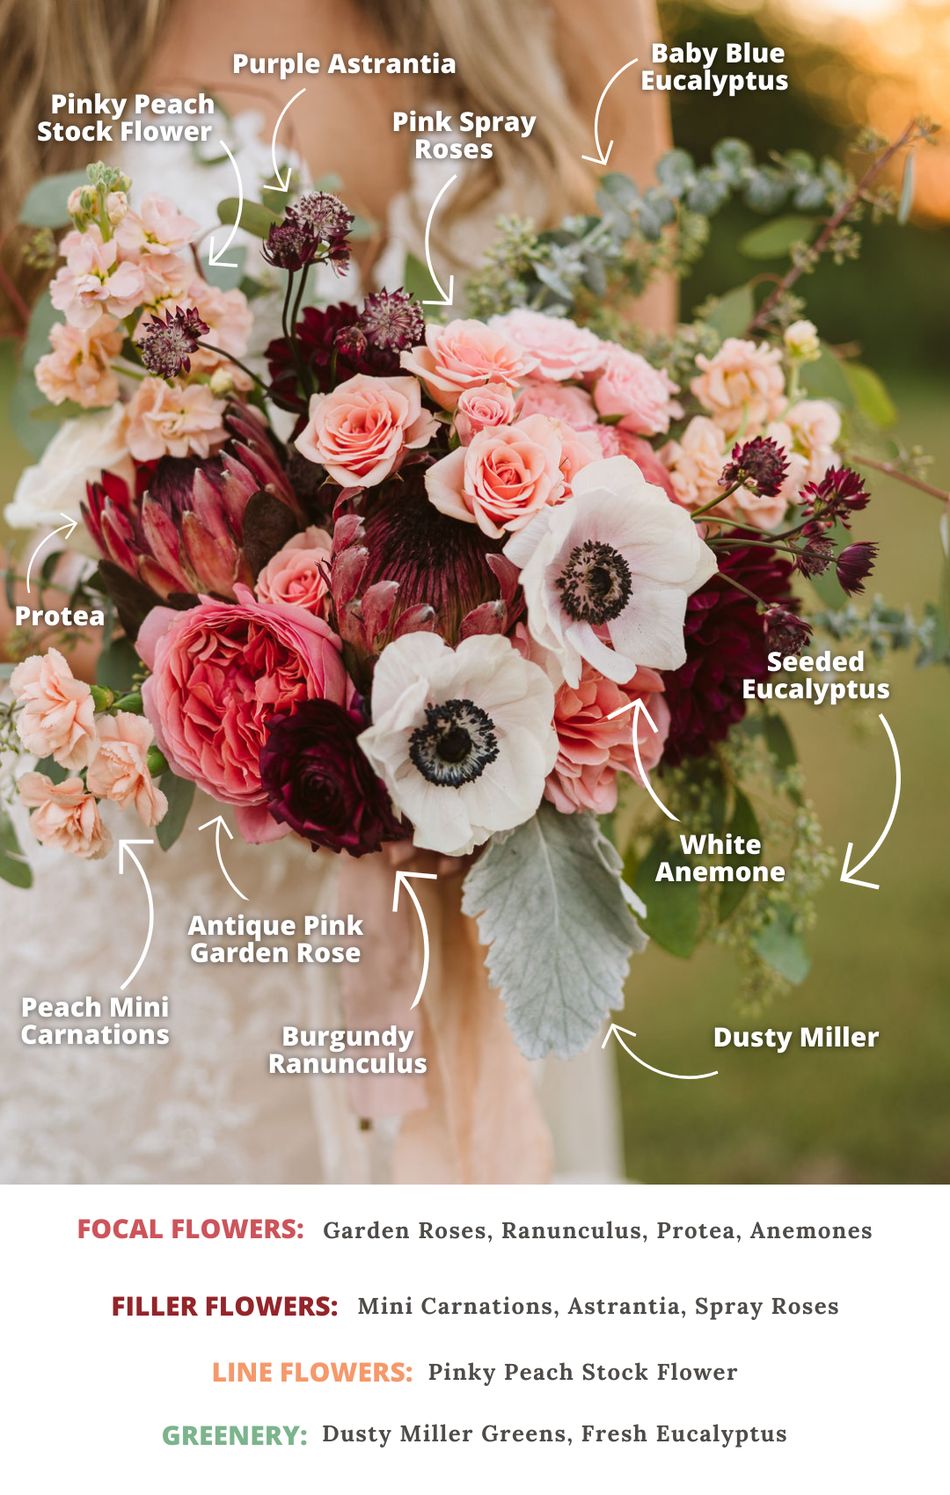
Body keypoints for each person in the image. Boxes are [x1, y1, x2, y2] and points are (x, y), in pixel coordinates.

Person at [0, 0, 672, 1184]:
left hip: (474, 858)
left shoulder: (577, 17)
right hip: (146, 862)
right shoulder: (53, 32)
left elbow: (644, 425)